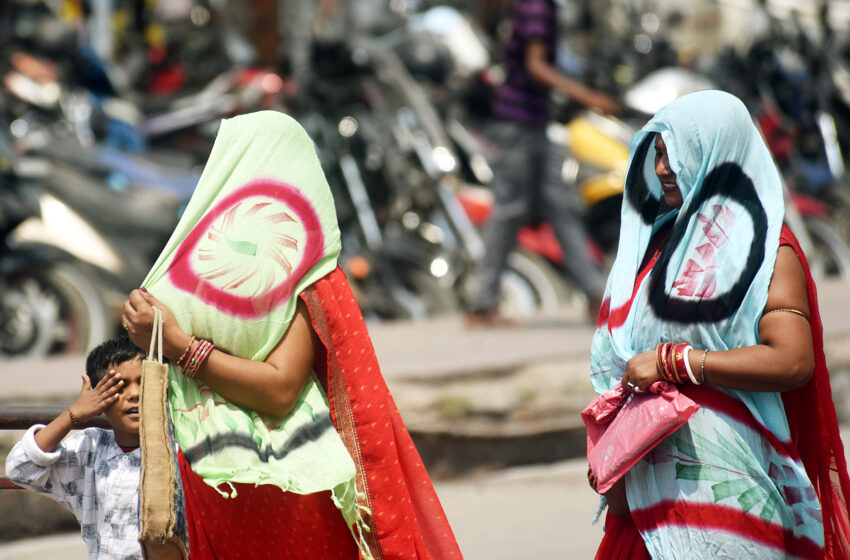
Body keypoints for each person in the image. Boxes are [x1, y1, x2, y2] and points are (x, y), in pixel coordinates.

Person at [121, 110, 463, 559]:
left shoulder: (298, 272)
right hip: (224, 489)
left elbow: (281, 389)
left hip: (287, 489)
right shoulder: (197, 270)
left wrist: (182, 347)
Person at [587, 90, 850, 558]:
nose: (663, 168)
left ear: (718, 153)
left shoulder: (769, 251)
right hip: (648, 497)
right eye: (659, 154)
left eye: (676, 153)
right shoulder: (657, 245)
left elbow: (791, 360)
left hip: (729, 496)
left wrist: (675, 363)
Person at [465, 0, 620, 326]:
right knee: (509, 210)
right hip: (518, 124)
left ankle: (595, 293)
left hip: (535, 122)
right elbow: (535, 66)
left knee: (560, 204)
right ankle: (482, 302)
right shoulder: (536, 5)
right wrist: (587, 97)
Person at [5, 337, 145, 559]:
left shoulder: (179, 448)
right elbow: (19, 468)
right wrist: (73, 415)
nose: (135, 394)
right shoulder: (89, 450)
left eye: (143, 382)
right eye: (121, 385)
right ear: (98, 397)